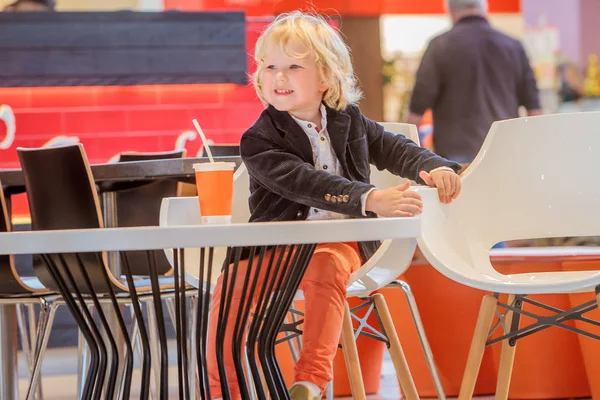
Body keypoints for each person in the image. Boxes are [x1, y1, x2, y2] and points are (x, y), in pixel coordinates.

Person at [207, 11, 462, 400]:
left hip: (342, 245)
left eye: (293, 66)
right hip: (276, 251)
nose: (279, 76)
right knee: (229, 288)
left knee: (326, 263)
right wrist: (369, 198)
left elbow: (396, 148)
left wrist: (435, 166)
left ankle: (309, 381)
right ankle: (224, 390)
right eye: (270, 66)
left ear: (325, 77)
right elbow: (303, 182)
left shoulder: (350, 120)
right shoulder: (257, 139)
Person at [406, 0, 542, 165]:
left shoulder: (439, 46)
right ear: (484, 9)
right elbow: (534, 109)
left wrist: (407, 152)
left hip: (455, 151)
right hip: (503, 150)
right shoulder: (513, 46)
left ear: (450, 11)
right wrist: (534, 152)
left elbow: (418, 104)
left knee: (459, 192)